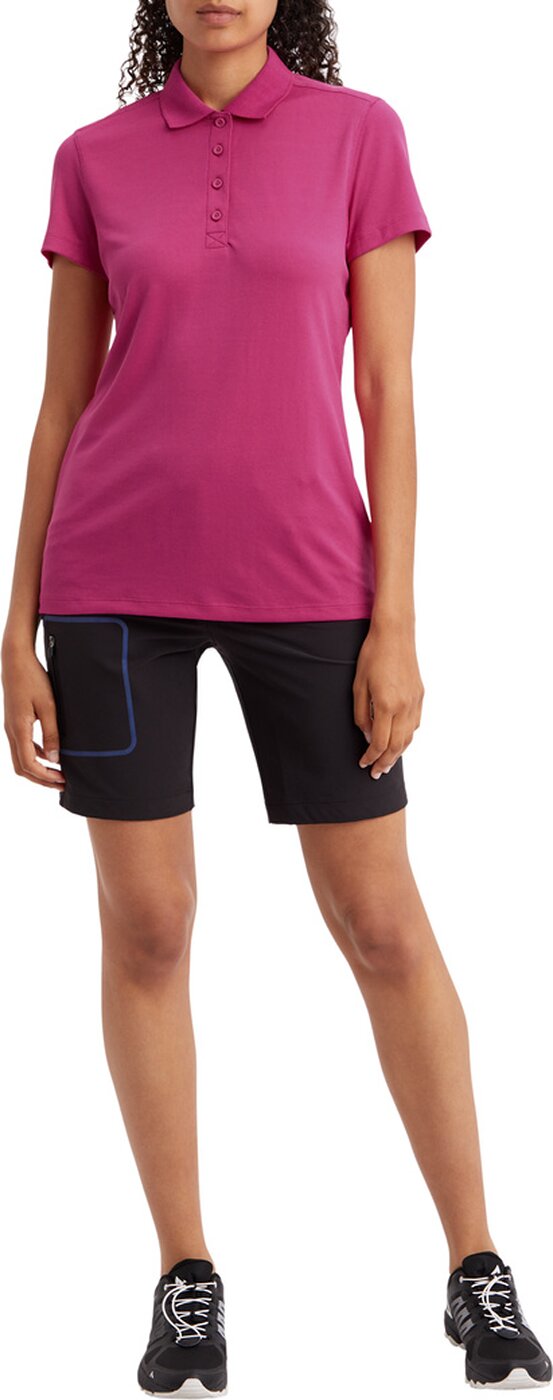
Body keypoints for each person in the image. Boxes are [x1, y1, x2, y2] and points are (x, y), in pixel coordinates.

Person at [1, 1, 550, 1394]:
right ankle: (185, 1278)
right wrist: (16, 627)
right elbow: (61, 403)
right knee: (149, 927)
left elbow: (389, 391)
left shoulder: (360, 137)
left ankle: (476, 1267)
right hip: (111, 585)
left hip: (311, 584)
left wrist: (395, 621)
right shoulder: (92, 156)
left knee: (382, 922)